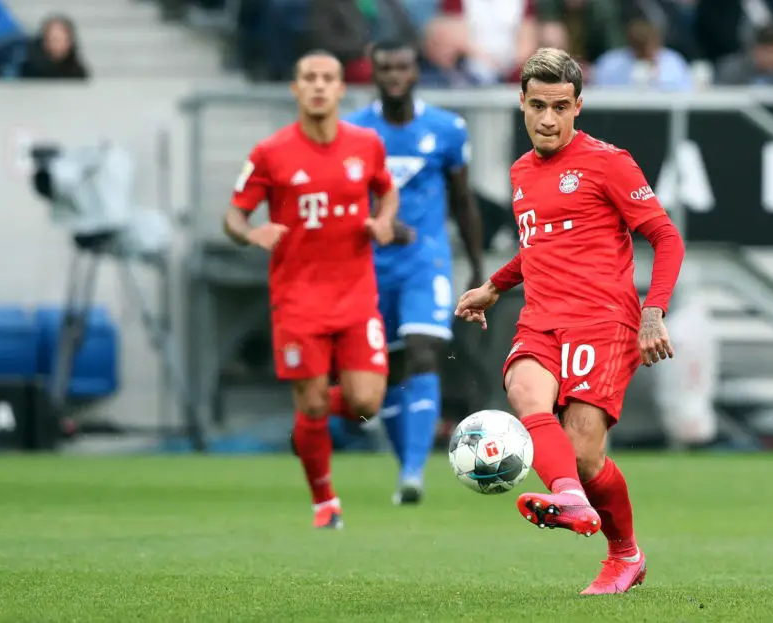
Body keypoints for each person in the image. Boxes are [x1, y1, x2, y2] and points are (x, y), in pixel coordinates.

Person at [454, 48, 685, 594]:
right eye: (538, 106)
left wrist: (653, 310)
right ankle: (573, 500)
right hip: (541, 317)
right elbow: (540, 245)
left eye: (560, 107)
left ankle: (624, 553)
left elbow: (666, 237)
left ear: (578, 106)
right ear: (522, 103)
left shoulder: (609, 162)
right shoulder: (520, 172)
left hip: (603, 321)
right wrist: (494, 287)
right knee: (523, 387)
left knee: (583, 454)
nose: (548, 119)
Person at [223, 52, 400, 529]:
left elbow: (386, 190)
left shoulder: (366, 144)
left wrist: (383, 220)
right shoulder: (271, 152)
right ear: (295, 88)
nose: (319, 86)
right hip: (297, 299)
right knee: (316, 402)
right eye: (309, 78)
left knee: (365, 403)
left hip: (356, 295)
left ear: (341, 89)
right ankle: (325, 502)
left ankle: (307, 420)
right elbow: (234, 214)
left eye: (327, 79)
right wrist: (250, 233)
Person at [346, 40, 484, 505]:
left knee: (424, 352)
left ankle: (413, 472)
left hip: (427, 263)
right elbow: (342, 202)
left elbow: (463, 200)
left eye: (402, 66)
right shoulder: (354, 132)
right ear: (374, 73)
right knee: (384, 368)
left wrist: (478, 266)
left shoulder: (446, 129)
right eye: (385, 67)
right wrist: (378, 223)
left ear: (416, 72)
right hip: (368, 266)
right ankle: (405, 461)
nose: (394, 75)